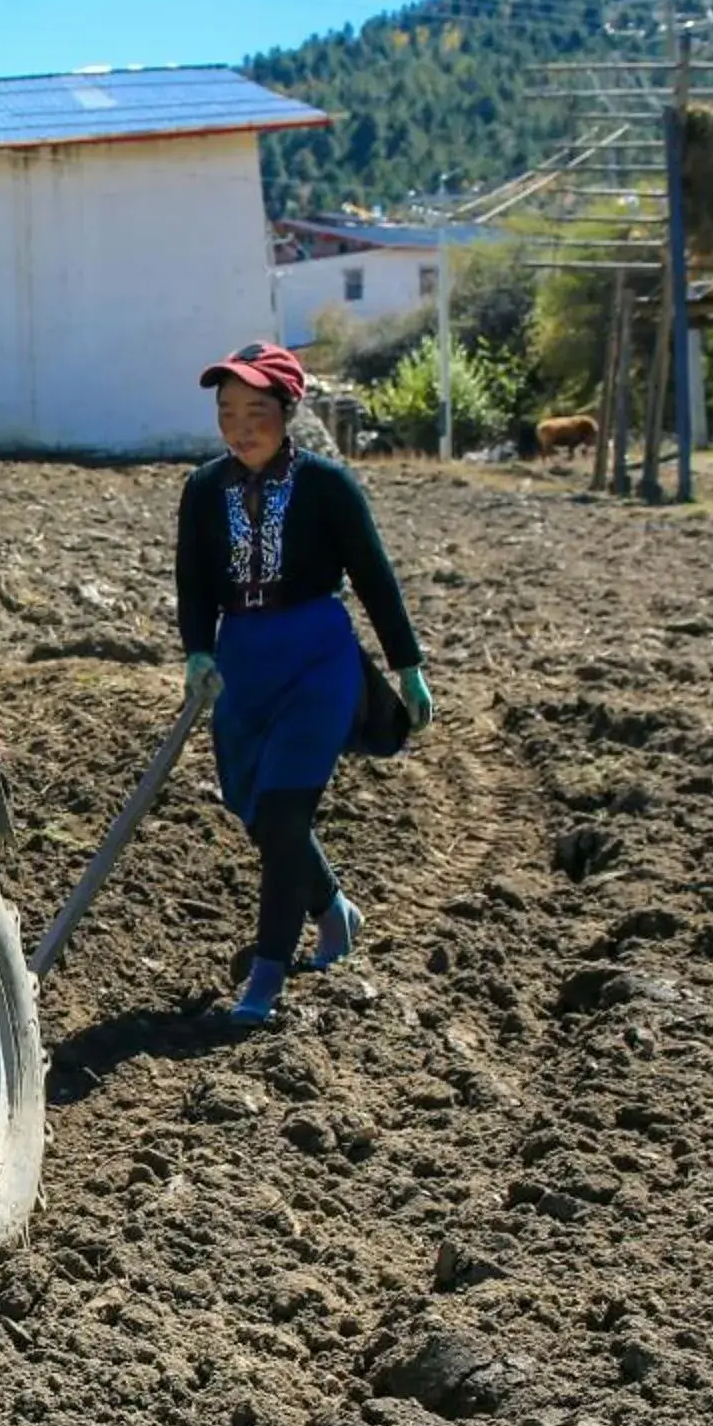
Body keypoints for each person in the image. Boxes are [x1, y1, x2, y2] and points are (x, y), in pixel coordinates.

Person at [176, 341, 435, 1027]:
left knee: (288, 813)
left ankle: (265, 978)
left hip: (317, 655)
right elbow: (195, 584)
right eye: (228, 411)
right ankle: (334, 911)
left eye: (257, 410)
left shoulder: (327, 486)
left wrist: (407, 667)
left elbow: (375, 578)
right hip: (245, 663)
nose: (241, 425)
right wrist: (198, 653)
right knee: (258, 812)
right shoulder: (203, 491)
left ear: (288, 411)